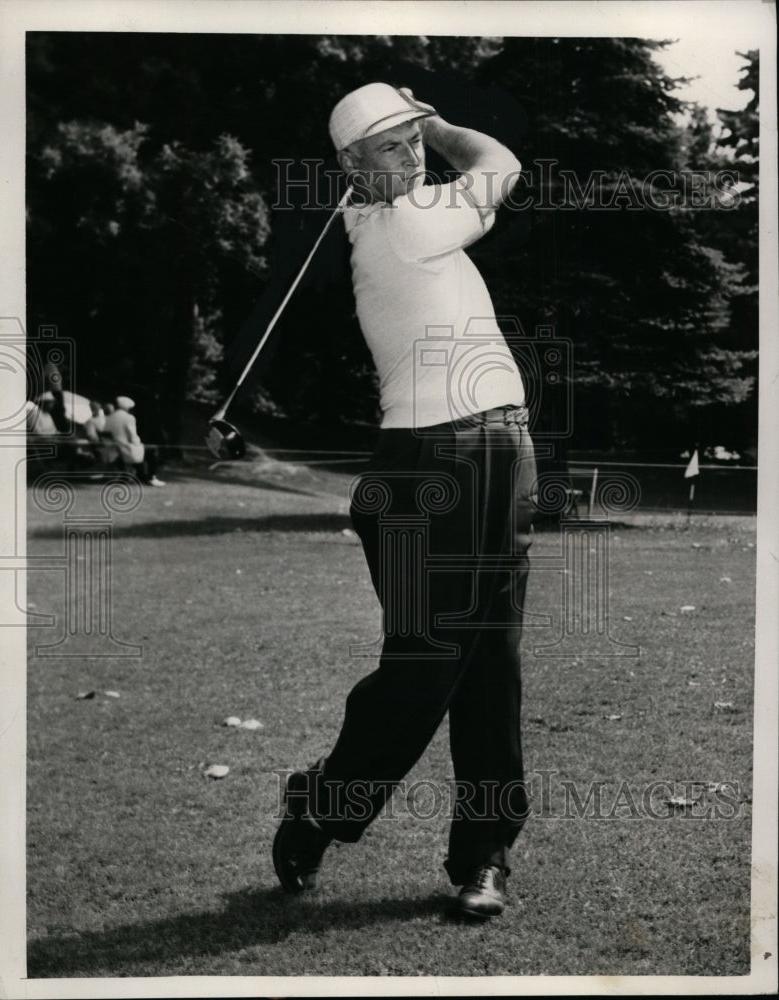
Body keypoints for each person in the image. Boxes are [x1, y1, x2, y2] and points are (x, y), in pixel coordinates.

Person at [272, 83, 537, 920]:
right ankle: (323, 805)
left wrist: (413, 135)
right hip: (432, 465)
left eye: (412, 140)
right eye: (390, 144)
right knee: (427, 665)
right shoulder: (408, 228)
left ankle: (483, 855)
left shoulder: (410, 216)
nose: (412, 152)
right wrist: (441, 120)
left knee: (489, 660)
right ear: (352, 167)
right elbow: (501, 161)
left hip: (502, 450)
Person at [105, 396, 145, 476]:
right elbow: (132, 434)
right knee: (145, 449)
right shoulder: (129, 417)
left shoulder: (108, 417)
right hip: (125, 447)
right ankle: (142, 474)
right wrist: (137, 443)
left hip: (110, 445)